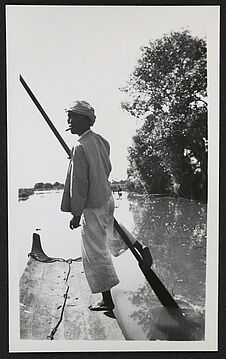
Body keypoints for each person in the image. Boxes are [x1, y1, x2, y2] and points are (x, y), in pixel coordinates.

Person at [61, 100, 152, 313]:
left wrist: (76, 214)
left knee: (95, 250)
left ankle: (107, 300)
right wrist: (76, 159)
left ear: (85, 119)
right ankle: (140, 247)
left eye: (72, 117)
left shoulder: (79, 146)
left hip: (92, 204)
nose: (68, 122)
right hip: (107, 198)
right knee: (112, 231)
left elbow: (80, 184)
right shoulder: (100, 141)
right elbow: (104, 167)